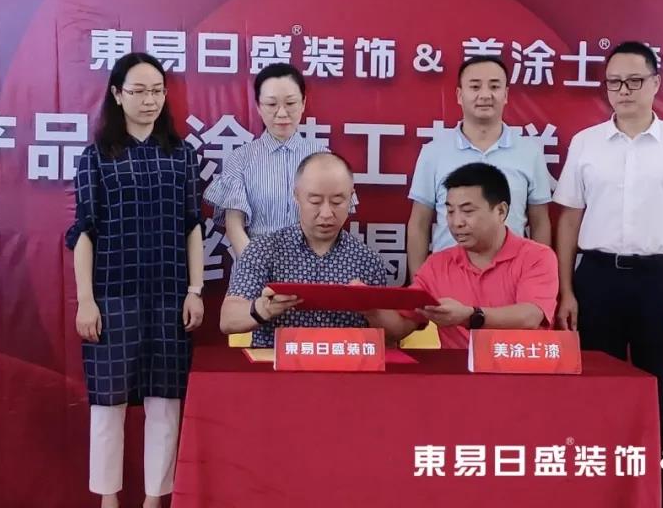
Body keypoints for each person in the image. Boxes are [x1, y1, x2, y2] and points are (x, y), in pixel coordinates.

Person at [552, 41, 663, 508]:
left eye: (634, 80)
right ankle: (596, 497)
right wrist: (566, 290)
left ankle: (660, 499)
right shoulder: (586, 143)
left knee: (660, 400)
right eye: (614, 82)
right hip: (597, 280)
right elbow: (568, 220)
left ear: (656, 84)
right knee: (594, 397)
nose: (623, 90)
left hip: (660, 284)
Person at [66, 52, 204, 508]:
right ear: (117, 94)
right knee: (108, 404)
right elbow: (84, 232)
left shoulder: (182, 156)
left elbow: (192, 225)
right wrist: (86, 300)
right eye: (139, 91)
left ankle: (153, 499)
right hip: (112, 295)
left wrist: (195, 290)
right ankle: (108, 499)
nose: (150, 100)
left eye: (157, 91)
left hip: (169, 295)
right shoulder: (96, 157)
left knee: (166, 403)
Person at [219, 152, 411, 347]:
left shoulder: (367, 260)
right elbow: (228, 320)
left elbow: (392, 336)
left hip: (344, 362)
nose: (326, 213)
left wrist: (371, 310)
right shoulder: (264, 250)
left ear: (351, 197)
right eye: (315, 201)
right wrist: (263, 308)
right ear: (296, 196)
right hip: (276, 363)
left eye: (337, 202)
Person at [407, 55, 552, 278]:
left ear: (506, 95)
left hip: (512, 277)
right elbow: (419, 223)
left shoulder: (529, 152)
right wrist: (419, 282)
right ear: (459, 95)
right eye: (475, 87)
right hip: (447, 277)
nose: (485, 95)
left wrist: (540, 277)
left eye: (494, 86)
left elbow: (540, 222)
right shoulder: (433, 152)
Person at [398, 162, 558, 348]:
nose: (456, 222)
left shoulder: (537, 257)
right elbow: (403, 323)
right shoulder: (437, 264)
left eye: (467, 211)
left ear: (501, 211)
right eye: (450, 211)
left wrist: (471, 316)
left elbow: (530, 317)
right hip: (457, 367)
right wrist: (372, 309)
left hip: (520, 363)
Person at [204, 62, 328, 256]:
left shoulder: (324, 159)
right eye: (271, 104)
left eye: (290, 103)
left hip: (312, 266)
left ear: (303, 103)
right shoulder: (240, 159)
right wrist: (257, 266)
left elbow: (333, 220)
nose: (282, 113)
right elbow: (234, 226)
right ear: (258, 107)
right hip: (255, 263)